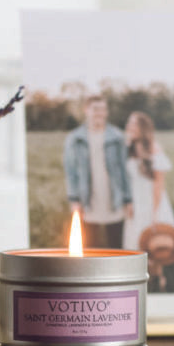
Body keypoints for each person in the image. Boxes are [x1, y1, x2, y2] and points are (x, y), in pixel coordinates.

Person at [63, 96, 133, 248]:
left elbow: (124, 169)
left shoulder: (117, 136)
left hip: (113, 198)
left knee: (115, 245)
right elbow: (71, 172)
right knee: (90, 246)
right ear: (86, 110)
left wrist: (128, 199)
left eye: (102, 109)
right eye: (95, 109)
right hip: (87, 199)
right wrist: (74, 199)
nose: (99, 113)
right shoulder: (74, 138)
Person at [123, 111, 174, 256]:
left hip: (151, 201)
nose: (130, 127)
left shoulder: (153, 148)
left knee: (155, 244)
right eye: (129, 123)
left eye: (134, 124)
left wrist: (155, 214)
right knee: (136, 244)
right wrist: (128, 202)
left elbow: (158, 185)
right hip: (135, 201)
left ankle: (158, 277)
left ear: (143, 128)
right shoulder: (129, 147)